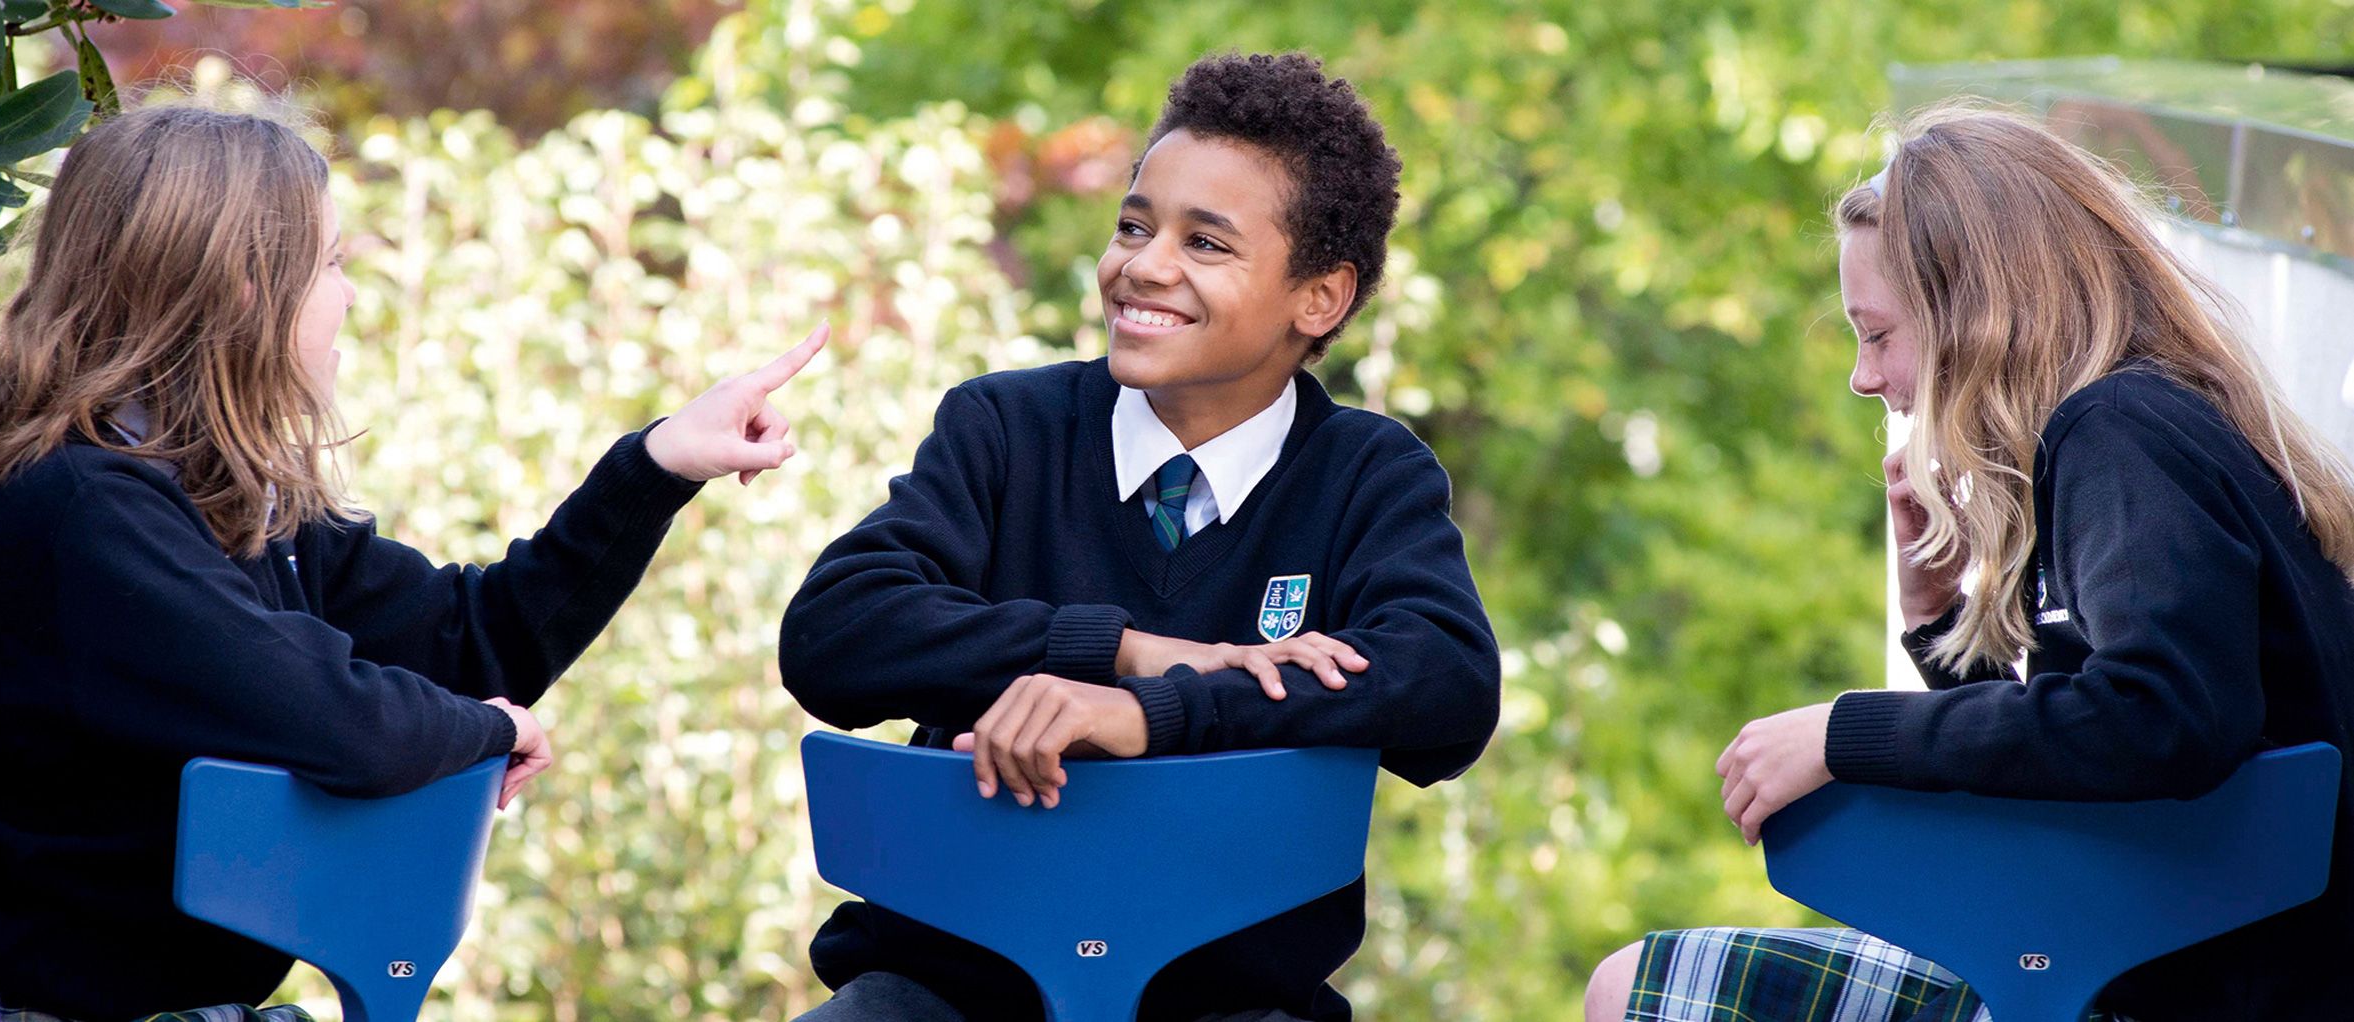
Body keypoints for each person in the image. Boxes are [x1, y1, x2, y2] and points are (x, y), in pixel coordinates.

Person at [0, 103, 824, 1019]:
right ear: (243, 287)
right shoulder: (84, 511)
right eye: (330, 263)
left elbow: (470, 642)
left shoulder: (233, 502)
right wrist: (493, 731)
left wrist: (658, 465)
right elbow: (341, 726)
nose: (347, 295)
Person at [1584, 105, 2354, 1022]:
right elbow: (2077, 773)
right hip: (2116, 946)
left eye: (1876, 334)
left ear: (1979, 316)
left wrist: (1843, 737)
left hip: (2161, 985)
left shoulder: (2115, 432)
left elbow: (2160, 719)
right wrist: (1940, 620)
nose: (1863, 379)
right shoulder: (2141, 429)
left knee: (1643, 993)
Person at [778, 52, 1501, 1022]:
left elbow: (1446, 683)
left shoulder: (1367, 476)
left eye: (1206, 243)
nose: (1143, 265)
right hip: (939, 990)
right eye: (1134, 224)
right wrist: (1118, 650)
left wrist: (1156, 712)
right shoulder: (1005, 428)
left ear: (1319, 297)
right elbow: (835, 630)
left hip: (1230, 1000)